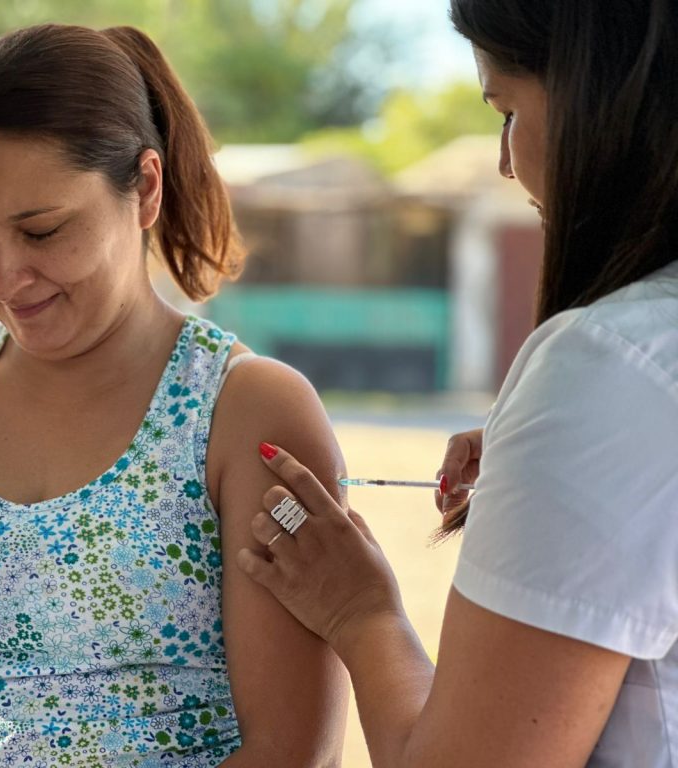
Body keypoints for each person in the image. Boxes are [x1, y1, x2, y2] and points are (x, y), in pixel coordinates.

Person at [0, 23, 349, 768]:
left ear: (145, 188)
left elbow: (291, 748)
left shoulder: (247, 413)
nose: (1, 277)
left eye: (42, 231)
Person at [238, 0, 678, 766]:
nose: (507, 162)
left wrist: (362, 613)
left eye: (507, 108)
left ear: (601, 96)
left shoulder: (612, 364)